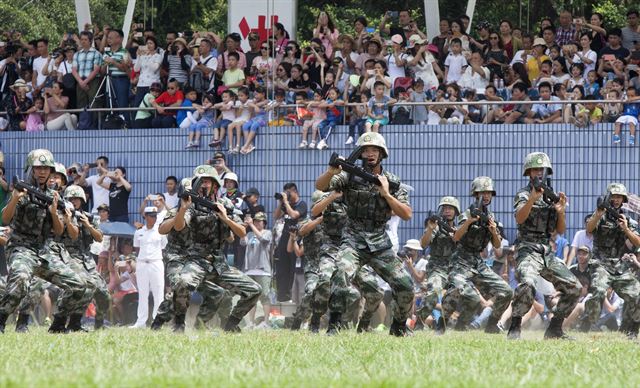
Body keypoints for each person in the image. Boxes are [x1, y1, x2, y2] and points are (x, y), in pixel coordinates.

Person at [315, 132, 414, 336]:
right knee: (341, 273)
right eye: (366, 150)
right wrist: (331, 171)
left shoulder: (392, 181)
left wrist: (386, 194)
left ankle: (399, 326)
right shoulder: (349, 176)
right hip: (353, 238)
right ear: (359, 154)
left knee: (405, 284)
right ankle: (334, 324)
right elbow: (320, 186)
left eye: (374, 150)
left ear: (382, 154)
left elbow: (406, 214)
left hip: (380, 242)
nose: (370, 154)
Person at [157, 166, 261, 332]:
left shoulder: (224, 204)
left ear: (215, 185)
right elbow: (178, 226)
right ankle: (177, 324)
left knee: (254, 290)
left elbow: (241, 232)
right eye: (200, 181)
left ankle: (230, 325)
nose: (203, 185)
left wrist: (225, 218)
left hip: (219, 264)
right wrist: (184, 208)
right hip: (196, 261)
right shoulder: (191, 204)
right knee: (182, 284)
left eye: (206, 181)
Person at [0, 149, 85, 334]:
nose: (42, 172)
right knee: (21, 280)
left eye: (46, 168)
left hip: (45, 251)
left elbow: (59, 230)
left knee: (78, 285)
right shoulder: (22, 189)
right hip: (21, 248)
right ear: (31, 168)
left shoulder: (55, 196)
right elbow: (5, 219)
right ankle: (1, 319)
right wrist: (14, 198)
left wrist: (55, 213)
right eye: (38, 167)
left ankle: (58, 324)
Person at [507, 152, 582, 340]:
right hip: (526, 248)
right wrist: (532, 199)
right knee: (527, 284)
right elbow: (519, 218)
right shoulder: (523, 194)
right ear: (528, 172)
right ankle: (515, 326)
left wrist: (561, 212)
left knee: (574, 287)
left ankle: (554, 328)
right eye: (535, 169)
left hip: (545, 250)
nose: (539, 173)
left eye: (542, 169)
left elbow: (560, 230)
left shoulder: (552, 196)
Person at [441, 177, 513, 333]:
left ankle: (492, 325)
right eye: (482, 192)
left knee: (507, 291)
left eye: (488, 193)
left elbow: (497, 246)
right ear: (475, 194)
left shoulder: (491, 217)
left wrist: (494, 231)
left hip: (478, 262)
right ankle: (443, 322)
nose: (486, 196)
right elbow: (455, 237)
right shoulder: (466, 214)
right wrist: (469, 222)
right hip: (460, 261)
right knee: (464, 293)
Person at [583, 183, 640, 338]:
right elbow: (589, 229)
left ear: (623, 200)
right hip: (600, 263)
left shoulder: (627, 220)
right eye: (614, 196)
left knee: (637, 294)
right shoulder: (599, 215)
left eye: (619, 197)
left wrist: (626, 229)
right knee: (599, 291)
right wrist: (598, 213)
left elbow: (638, 242)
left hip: (618, 265)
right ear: (608, 197)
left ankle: (632, 329)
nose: (616, 200)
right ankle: (590, 324)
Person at [57, 184, 110, 331]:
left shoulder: (89, 217)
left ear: (82, 200)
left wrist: (88, 225)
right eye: (70, 198)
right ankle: (72, 322)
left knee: (104, 295)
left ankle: (99, 323)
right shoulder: (60, 215)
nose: (74, 201)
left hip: (86, 258)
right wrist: (68, 220)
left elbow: (99, 238)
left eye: (77, 199)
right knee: (84, 288)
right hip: (68, 256)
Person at [417, 196, 460, 333]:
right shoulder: (436, 227)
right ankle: (419, 321)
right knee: (434, 292)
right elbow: (423, 244)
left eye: (450, 208)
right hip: (437, 267)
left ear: (456, 211)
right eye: (445, 208)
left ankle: (442, 324)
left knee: (456, 292)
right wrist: (430, 229)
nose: (447, 211)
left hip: (453, 269)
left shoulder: (460, 229)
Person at [131, 206, 167, 328]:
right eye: (151, 216)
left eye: (155, 216)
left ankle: (157, 321)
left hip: (156, 262)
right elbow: (137, 249)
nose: (153, 218)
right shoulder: (139, 232)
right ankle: (141, 322)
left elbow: (163, 248)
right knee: (142, 293)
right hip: (142, 263)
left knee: (158, 293)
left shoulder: (161, 231)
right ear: (145, 216)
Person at [273, 183, 307, 302]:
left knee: (293, 266)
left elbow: (293, 215)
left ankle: (293, 295)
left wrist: (286, 202)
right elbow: (276, 216)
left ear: (295, 192)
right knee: (282, 266)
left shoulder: (301, 204)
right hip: (285, 237)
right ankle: (282, 295)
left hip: (296, 238)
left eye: (289, 193)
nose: (287, 195)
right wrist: (280, 203)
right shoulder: (285, 205)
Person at [240, 212, 272, 329]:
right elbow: (242, 242)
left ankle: (266, 322)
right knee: (250, 296)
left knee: (264, 295)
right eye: (255, 221)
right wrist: (243, 227)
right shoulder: (249, 234)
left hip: (263, 270)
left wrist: (251, 226)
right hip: (249, 270)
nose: (257, 223)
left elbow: (263, 240)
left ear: (264, 223)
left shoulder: (268, 233)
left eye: (259, 221)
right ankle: (251, 322)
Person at [103, 29, 132, 125]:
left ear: (119, 39)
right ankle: (112, 124)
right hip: (109, 80)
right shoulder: (106, 52)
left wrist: (114, 62)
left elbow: (126, 69)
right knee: (110, 103)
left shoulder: (125, 52)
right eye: (108, 38)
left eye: (111, 37)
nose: (109, 40)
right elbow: (102, 71)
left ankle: (125, 124)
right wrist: (105, 64)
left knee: (122, 103)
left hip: (121, 80)